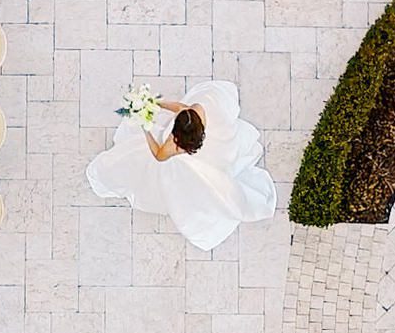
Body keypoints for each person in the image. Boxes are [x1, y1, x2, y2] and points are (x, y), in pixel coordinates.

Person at [85, 79, 278, 251]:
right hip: (205, 146)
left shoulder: (174, 146)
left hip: (181, 158)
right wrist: (155, 104)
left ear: (177, 135)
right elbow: (180, 107)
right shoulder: (197, 112)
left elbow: (158, 155)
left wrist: (146, 130)